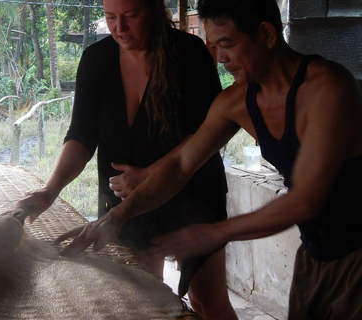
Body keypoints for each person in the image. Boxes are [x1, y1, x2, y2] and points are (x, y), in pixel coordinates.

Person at [54, 0, 362, 319]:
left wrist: (216, 232)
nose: (220, 58)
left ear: (267, 34)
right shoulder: (237, 101)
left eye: (227, 44)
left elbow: (306, 200)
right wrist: (116, 217)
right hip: (314, 256)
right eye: (214, 46)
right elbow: (179, 165)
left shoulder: (328, 88)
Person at [16, 0, 238, 318]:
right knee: (142, 301)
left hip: (194, 191)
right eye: (110, 17)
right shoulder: (96, 60)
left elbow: (206, 132)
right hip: (125, 200)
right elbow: (81, 135)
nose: (120, 27)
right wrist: (51, 190)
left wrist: (148, 175)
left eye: (131, 16)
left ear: (153, 9)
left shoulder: (188, 53)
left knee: (207, 300)